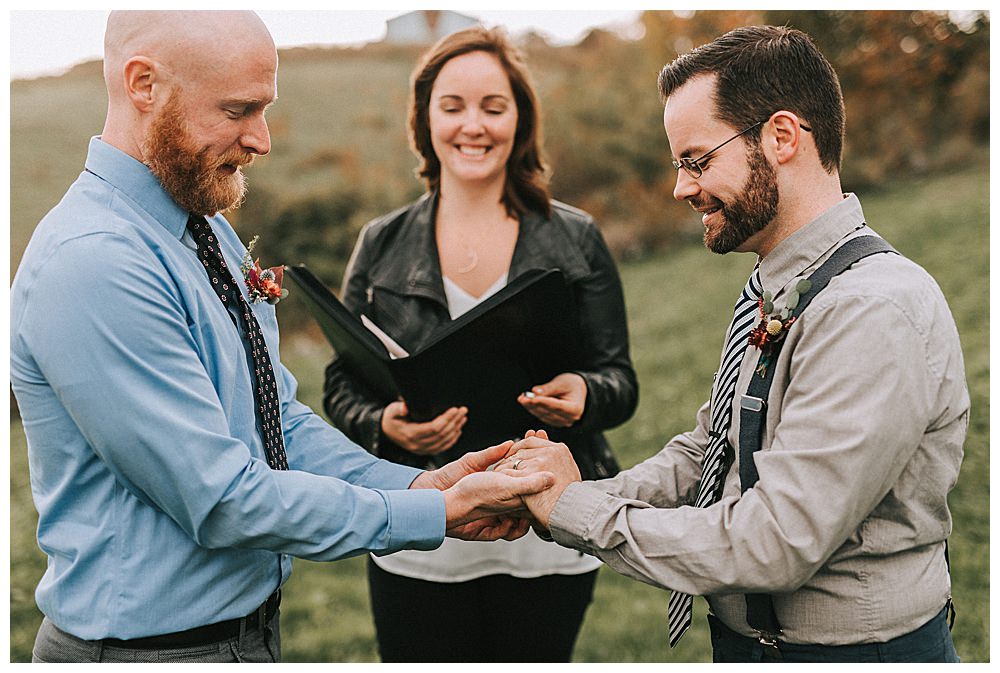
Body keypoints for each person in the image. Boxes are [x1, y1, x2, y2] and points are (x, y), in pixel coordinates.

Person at [9, 11, 554, 664]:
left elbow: (275, 425)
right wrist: (433, 516)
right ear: (144, 85)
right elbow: (221, 499)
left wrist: (420, 487)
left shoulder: (203, 229)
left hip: (244, 637)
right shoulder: (95, 261)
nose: (261, 140)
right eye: (239, 109)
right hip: (145, 651)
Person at [501, 25, 969, 663]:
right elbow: (714, 451)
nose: (681, 188)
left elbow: (774, 542)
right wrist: (575, 492)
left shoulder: (869, 309)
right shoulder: (777, 280)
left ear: (781, 137)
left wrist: (573, 511)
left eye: (697, 161)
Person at [321, 27, 638, 663]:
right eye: (453, 106)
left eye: (494, 107)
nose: (475, 125)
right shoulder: (381, 243)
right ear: (425, 120)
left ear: (520, 120)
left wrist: (582, 396)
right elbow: (342, 384)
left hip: (548, 531)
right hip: (422, 534)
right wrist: (387, 424)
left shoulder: (575, 237)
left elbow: (618, 380)